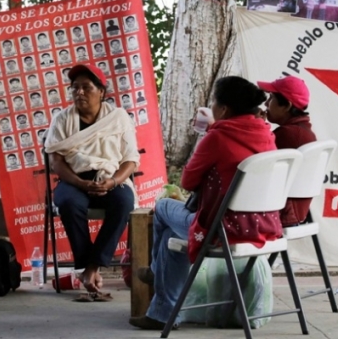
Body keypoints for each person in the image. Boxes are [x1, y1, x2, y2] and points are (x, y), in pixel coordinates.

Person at [130, 76, 281, 330]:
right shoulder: (266, 135)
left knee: (164, 206)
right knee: (169, 235)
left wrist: (208, 132)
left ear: (223, 109)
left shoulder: (218, 137)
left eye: (214, 102)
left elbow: (188, 181)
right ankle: (159, 314)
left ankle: (156, 277)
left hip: (221, 229)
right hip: (260, 225)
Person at [45, 64, 139, 296]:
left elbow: (130, 160)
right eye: (75, 88)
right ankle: (89, 267)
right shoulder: (62, 119)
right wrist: (80, 183)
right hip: (74, 179)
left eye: (86, 87)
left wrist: (113, 182)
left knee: (124, 203)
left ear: (101, 92)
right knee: (68, 203)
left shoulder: (118, 118)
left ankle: (91, 267)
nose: (79, 93)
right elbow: (57, 162)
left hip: (110, 178)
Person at [257, 76, 317, 226]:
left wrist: (256, 126)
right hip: (291, 212)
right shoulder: (304, 132)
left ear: (287, 106)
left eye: (271, 98)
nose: (265, 104)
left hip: (277, 213)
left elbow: (253, 168)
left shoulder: (288, 135)